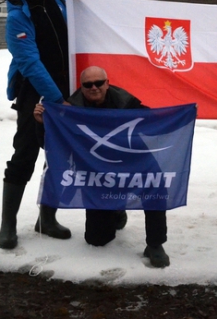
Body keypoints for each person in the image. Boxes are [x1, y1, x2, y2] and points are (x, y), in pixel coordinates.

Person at [35, 66, 170, 268]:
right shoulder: (71, 110)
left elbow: (152, 124)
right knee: (97, 239)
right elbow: (53, 149)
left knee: (156, 183)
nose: (94, 87)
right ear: (81, 87)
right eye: (88, 84)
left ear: (108, 83)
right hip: (97, 173)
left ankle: (155, 244)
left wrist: (178, 116)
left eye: (99, 83)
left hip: (132, 163)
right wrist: (43, 123)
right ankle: (116, 210)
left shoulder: (126, 103)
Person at [0, 0, 72, 250]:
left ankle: (47, 218)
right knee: (25, 154)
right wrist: (56, 99)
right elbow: (29, 63)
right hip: (35, 93)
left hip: (67, 89)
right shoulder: (16, 18)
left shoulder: (58, 0)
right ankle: (8, 224)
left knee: (57, 156)